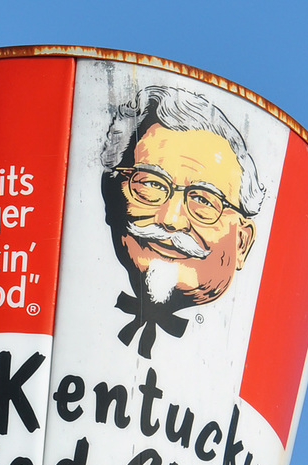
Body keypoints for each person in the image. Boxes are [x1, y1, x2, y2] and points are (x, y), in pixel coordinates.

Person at [101, 85, 264, 358]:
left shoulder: (239, 358)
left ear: (242, 241)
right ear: (111, 194)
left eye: (203, 200)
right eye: (152, 183)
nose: (171, 220)